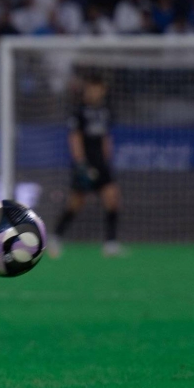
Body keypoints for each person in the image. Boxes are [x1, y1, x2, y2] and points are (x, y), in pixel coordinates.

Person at [48, 74, 123, 257]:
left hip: (101, 163)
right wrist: (81, 163)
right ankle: (55, 237)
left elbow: (105, 137)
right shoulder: (79, 111)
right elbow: (75, 138)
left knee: (112, 198)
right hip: (85, 163)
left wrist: (107, 159)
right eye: (92, 88)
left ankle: (111, 243)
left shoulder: (105, 111)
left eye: (98, 89)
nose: (95, 92)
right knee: (76, 202)